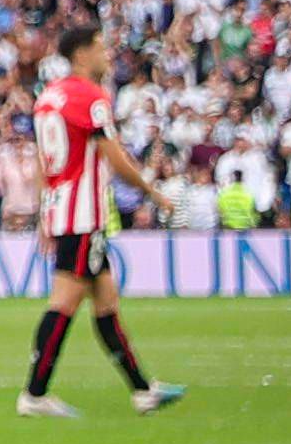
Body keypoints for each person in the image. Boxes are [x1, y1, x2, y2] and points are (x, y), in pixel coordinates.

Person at [22, 47, 184, 418]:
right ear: (82, 54)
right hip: (84, 215)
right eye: (99, 45)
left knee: (106, 301)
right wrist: (153, 193)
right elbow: (113, 155)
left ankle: (143, 390)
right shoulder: (89, 97)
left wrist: (45, 212)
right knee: (64, 302)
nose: (107, 53)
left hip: (65, 210)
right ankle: (34, 393)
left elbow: (41, 159)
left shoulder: (48, 97)